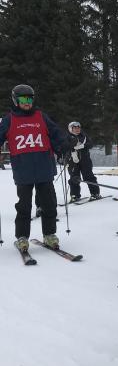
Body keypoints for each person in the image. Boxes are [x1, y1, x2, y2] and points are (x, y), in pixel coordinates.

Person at [0, 84, 67, 251]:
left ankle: (49, 234)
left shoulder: (41, 116)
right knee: (24, 206)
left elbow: (55, 133)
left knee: (49, 204)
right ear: (16, 101)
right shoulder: (9, 119)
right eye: (23, 99)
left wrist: (64, 145)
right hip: (23, 170)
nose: (27, 102)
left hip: (44, 168)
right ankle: (22, 237)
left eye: (29, 99)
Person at [66, 121, 101, 202]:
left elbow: (91, 144)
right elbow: (65, 146)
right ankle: (75, 195)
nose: (77, 129)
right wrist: (72, 147)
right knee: (74, 177)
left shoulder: (84, 136)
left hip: (85, 160)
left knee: (88, 176)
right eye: (75, 128)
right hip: (73, 161)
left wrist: (83, 146)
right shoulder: (67, 137)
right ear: (71, 129)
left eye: (78, 128)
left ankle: (95, 193)